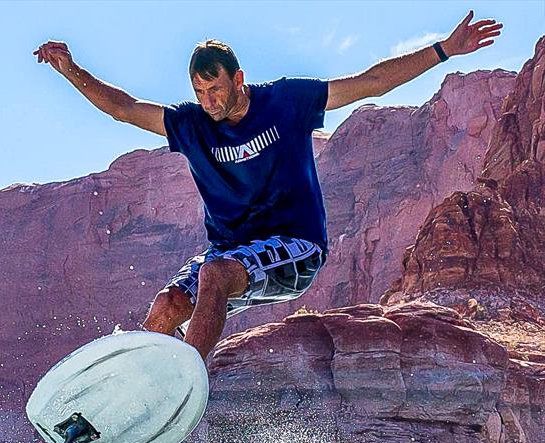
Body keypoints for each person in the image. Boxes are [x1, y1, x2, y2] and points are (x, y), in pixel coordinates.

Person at [33, 11, 501, 362]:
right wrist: (71, 69)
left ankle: (187, 379)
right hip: (231, 251)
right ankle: (141, 396)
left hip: (296, 247)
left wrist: (443, 50)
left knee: (215, 276)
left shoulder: (286, 102)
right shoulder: (193, 125)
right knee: (166, 306)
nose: (209, 101)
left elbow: (370, 83)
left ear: (238, 79)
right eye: (199, 92)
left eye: (215, 89)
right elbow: (125, 107)